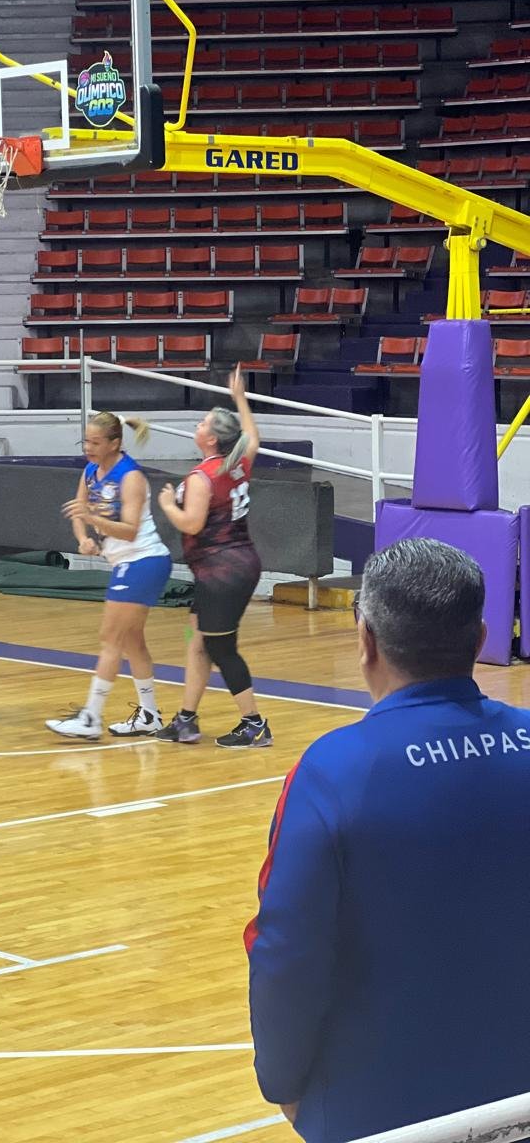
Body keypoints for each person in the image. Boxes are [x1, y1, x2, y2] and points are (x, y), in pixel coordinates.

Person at [246, 538, 530, 1143]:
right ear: (480, 638)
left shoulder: (332, 773)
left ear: (365, 640)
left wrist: (282, 1081)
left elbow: (286, 951)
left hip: (379, 1108)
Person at [157, 365, 269, 747]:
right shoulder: (236, 463)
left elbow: (191, 523)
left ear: (211, 439)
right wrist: (239, 397)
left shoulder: (202, 477)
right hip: (228, 569)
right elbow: (252, 435)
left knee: (221, 647)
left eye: (203, 422)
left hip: (223, 573)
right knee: (196, 639)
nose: (198, 424)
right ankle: (186, 720)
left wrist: (167, 505)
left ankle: (254, 724)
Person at [46, 411, 172, 741]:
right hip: (126, 562)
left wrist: (93, 520)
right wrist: (83, 538)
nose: (88, 447)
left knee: (110, 639)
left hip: (143, 560)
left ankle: (91, 717)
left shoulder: (131, 477)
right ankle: (149, 715)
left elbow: (129, 530)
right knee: (131, 641)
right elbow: (79, 510)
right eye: (85, 441)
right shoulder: (90, 471)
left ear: (114, 443)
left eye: (95, 442)